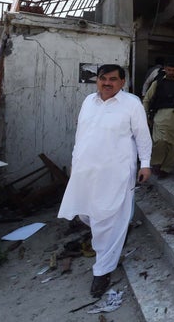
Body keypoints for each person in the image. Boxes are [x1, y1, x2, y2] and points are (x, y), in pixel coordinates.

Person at [58, 64, 152, 298]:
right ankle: (111, 243)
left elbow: (142, 135)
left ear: (122, 83)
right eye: (102, 78)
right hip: (86, 170)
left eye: (113, 79)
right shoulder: (89, 101)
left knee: (108, 220)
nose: (107, 83)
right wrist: (75, 161)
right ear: (97, 80)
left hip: (116, 172)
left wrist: (146, 163)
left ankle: (103, 271)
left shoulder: (131, 103)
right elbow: (81, 133)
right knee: (86, 215)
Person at [142, 60, 174, 178]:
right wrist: (145, 115)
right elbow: (146, 99)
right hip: (160, 118)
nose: (171, 72)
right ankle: (156, 163)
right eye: (169, 70)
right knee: (159, 142)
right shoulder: (158, 82)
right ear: (165, 69)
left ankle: (166, 168)